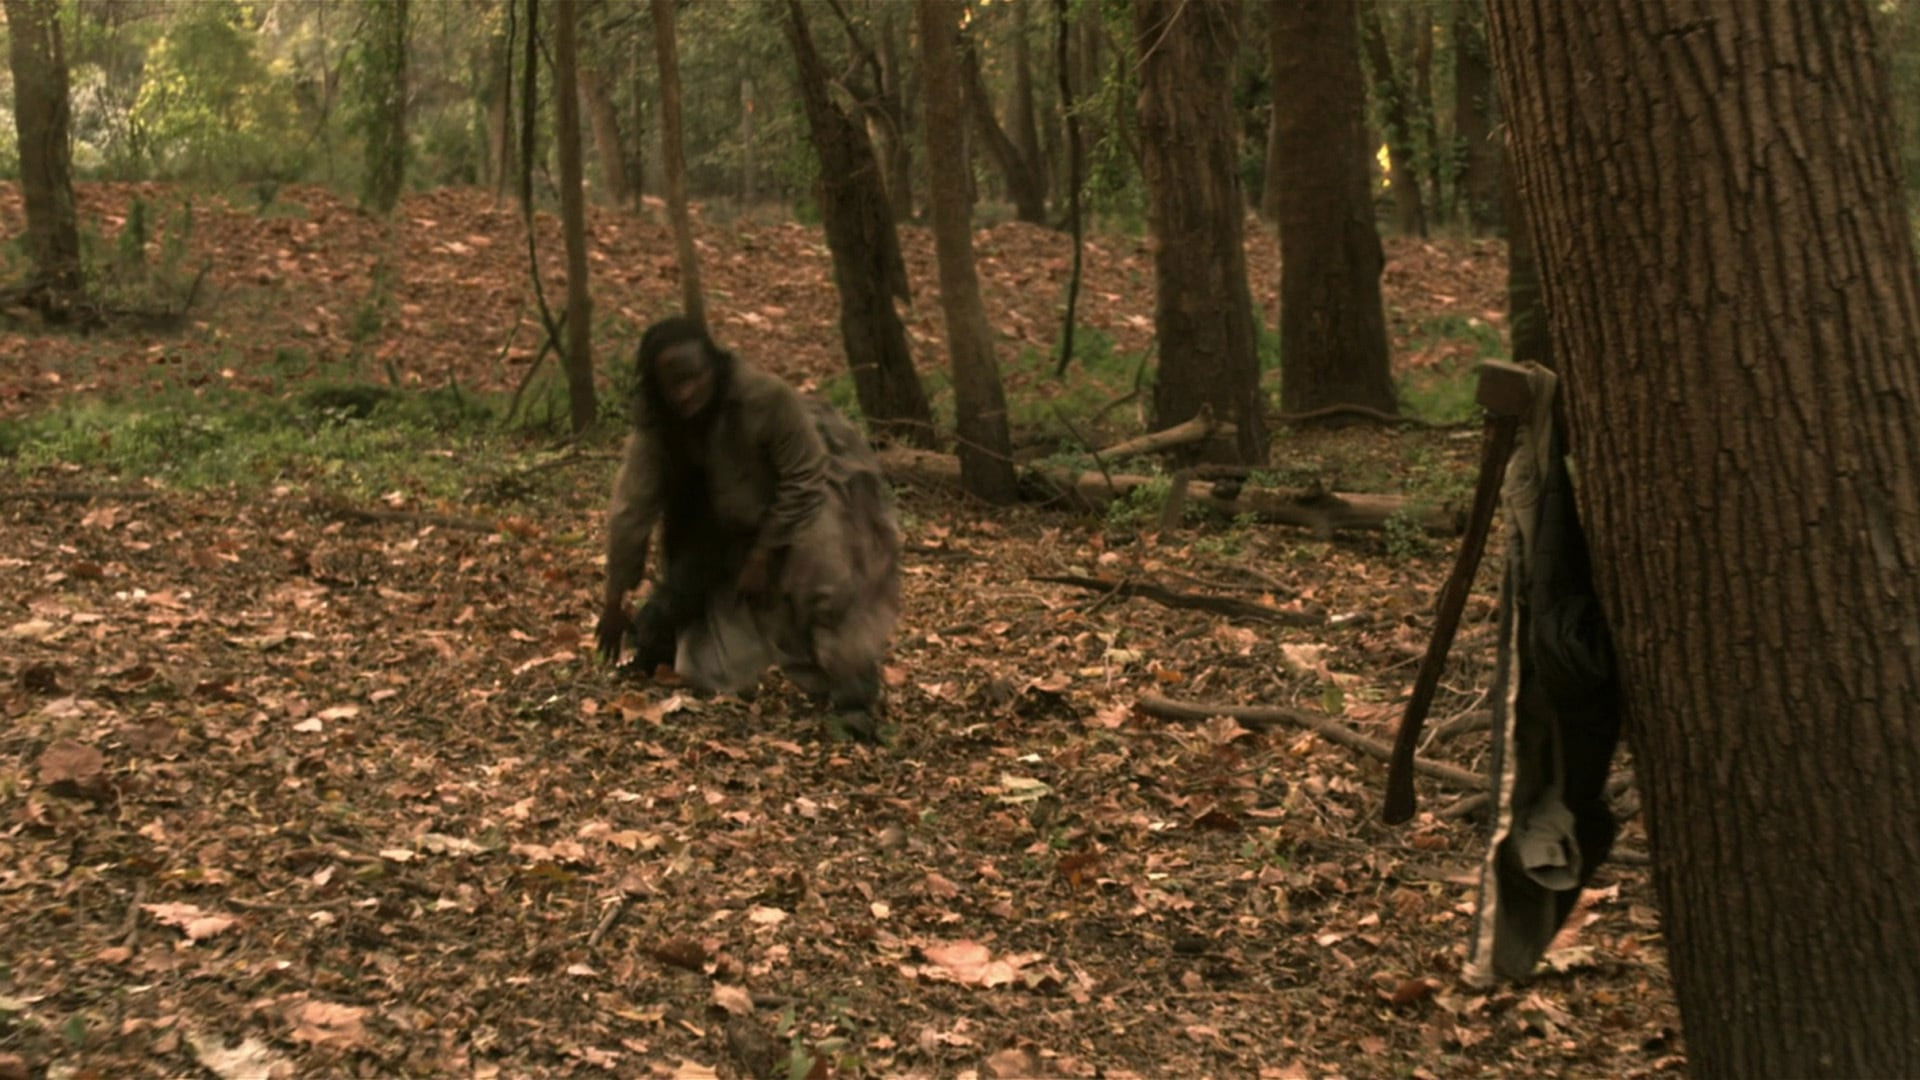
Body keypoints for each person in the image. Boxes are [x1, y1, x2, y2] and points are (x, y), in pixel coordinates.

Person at [597, 316, 901, 740]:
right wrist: (615, 600)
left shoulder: (764, 397)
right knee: (708, 668)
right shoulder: (657, 425)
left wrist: (764, 554)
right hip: (725, 530)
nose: (686, 393)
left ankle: (855, 702)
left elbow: (806, 478)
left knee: (826, 579)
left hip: (806, 503)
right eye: (673, 384)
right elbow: (631, 512)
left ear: (712, 367)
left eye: (694, 378)